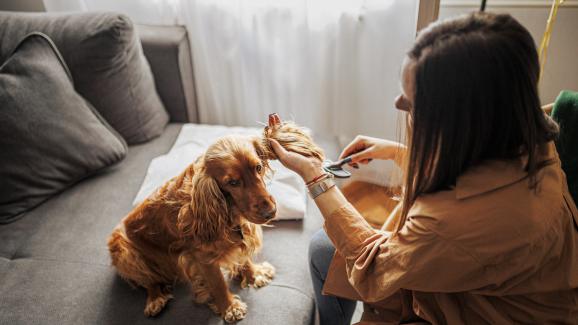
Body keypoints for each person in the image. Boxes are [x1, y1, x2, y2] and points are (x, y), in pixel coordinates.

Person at [269, 12, 578, 324]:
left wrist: (316, 178)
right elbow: (470, 177)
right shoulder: (524, 131)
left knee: (329, 251)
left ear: (458, 123)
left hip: (483, 312)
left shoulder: (453, 225)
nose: (398, 103)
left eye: (413, 102)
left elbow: (374, 270)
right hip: (479, 283)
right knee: (326, 248)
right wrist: (396, 151)